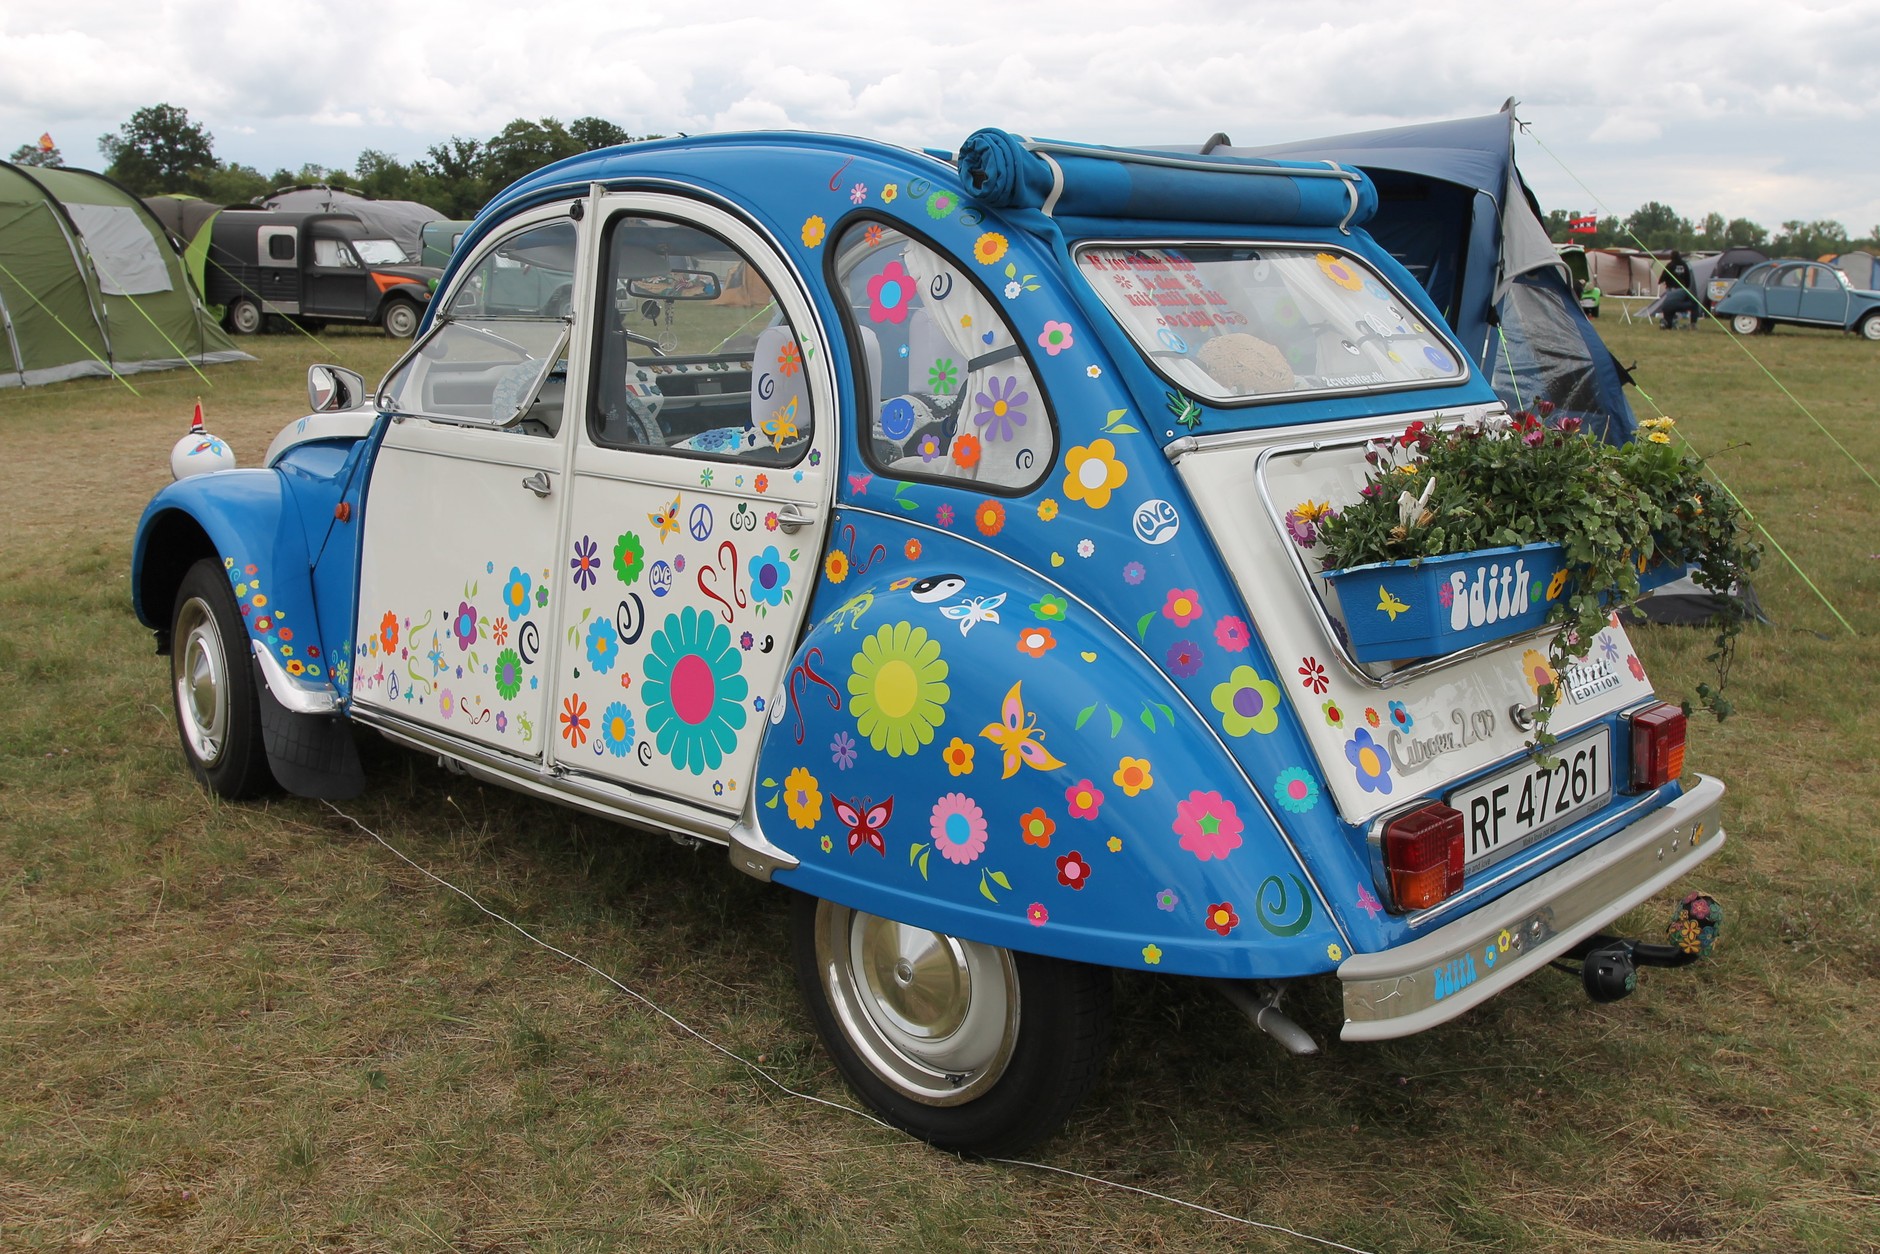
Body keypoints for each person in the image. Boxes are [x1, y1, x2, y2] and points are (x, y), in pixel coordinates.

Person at [1660, 250, 1697, 329]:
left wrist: (1660, 281)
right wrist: (1686, 287)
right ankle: (1686, 320)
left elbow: (1664, 275)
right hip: (1682, 288)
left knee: (1671, 303)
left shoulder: (1670, 265)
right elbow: (1688, 276)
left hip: (1672, 289)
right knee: (1682, 303)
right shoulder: (1684, 265)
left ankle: (1671, 320)